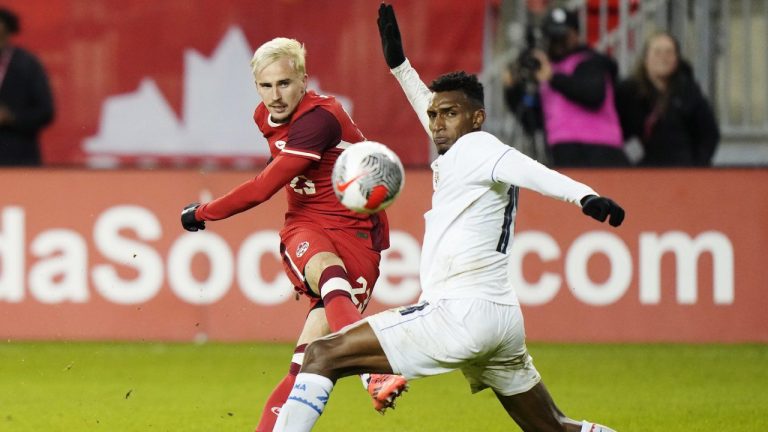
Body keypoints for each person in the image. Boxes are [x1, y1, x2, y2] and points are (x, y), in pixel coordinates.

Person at [271, 5, 623, 432]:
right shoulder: (458, 147)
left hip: (460, 314)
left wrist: (584, 196)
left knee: (320, 355)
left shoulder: (479, 148)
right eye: (435, 116)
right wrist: (400, 65)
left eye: (449, 115)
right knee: (552, 426)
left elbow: (533, 170)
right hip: (500, 320)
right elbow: (430, 106)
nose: (436, 123)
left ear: (477, 118)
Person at [179, 37, 406, 431]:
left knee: (307, 363)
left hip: (358, 236)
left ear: (303, 80)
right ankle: (373, 372)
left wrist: (203, 211)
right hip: (306, 224)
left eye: (284, 83)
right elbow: (282, 166)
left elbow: (264, 186)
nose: (275, 95)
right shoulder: (264, 116)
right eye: (266, 86)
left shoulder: (319, 118)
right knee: (329, 273)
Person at [505, 7, 629, 167]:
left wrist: (553, 78)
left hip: (599, 147)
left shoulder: (591, 61)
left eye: (563, 35)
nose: (558, 41)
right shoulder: (546, 69)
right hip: (562, 149)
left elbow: (593, 95)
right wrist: (511, 89)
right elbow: (531, 121)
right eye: (553, 36)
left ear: (576, 34)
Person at [616, 32, 720, 166]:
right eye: (657, 52)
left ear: (677, 59)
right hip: (639, 172)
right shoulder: (627, 91)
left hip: (683, 171)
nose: (663, 58)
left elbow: (709, 133)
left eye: (669, 52)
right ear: (645, 58)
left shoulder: (689, 91)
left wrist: (698, 165)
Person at [0, 7, 54, 166]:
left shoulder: (27, 65)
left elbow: (45, 111)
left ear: (9, 33)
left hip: (18, 157)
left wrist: (11, 118)